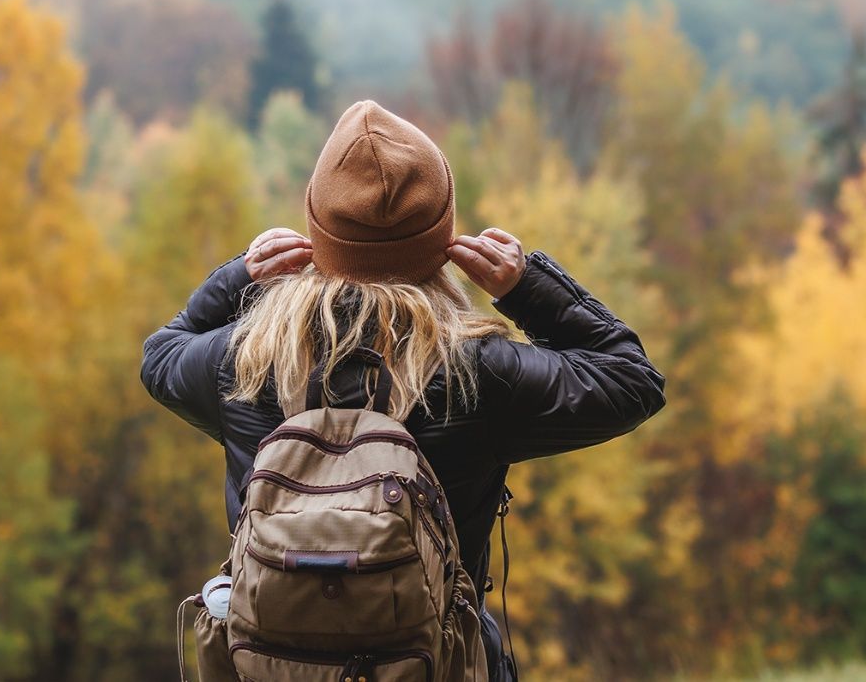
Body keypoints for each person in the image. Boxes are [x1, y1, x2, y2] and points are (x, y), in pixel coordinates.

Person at [141, 99, 666, 679]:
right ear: (442, 238)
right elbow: (631, 380)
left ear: (318, 229)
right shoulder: (474, 370)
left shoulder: (247, 361)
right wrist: (526, 288)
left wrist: (241, 274)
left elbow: (160, 356)